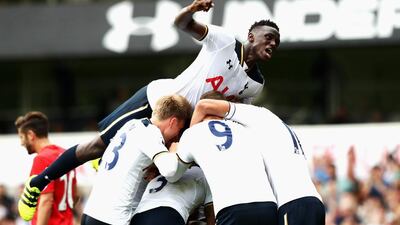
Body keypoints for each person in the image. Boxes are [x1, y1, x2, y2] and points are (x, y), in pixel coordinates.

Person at [18, 0, 280, 220]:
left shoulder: (255, 84)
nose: (272, 44)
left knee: (164, 176)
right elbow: (181, 24)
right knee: (96, 147)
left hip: (182, 126)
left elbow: (234, 115)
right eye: (268, 37)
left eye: (276, 42)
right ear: (250, 37)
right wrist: (192, 9)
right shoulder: (224, 42)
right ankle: (38, 182)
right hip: (158, 101)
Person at [189, 99, 326, 225]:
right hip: (312, 201)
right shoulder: (275, 125)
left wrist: (189, 141)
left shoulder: (255, 115)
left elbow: (203, 106)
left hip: (293, 204)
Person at [80, 94, 192, 225]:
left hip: (90, 212)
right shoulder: (151, 134)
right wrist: (175, 151)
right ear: (173, 122)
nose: (176, 135)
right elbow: (170, 172)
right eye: (179, 129)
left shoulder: (131, 125)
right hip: (112, 219)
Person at [15, 111, 77, 225]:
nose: (21, 143)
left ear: (30, 135)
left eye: (21, 137)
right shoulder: (66, 154)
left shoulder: (41, 158)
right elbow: (75, 196)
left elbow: (46, 201)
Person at [130, 166, 214, 225]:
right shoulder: (204, 175)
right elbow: (211, 217)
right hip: (168, 214)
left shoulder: (162, 172)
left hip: (138, 216)